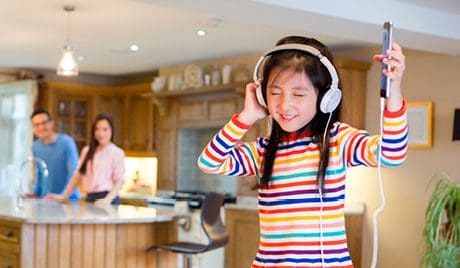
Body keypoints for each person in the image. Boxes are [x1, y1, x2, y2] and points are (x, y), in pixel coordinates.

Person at [197, 36, 408, 267]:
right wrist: (246, 116)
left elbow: (392, 153)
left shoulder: (337, 140)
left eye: (298, 94)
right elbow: (209, 162)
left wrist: (394, 89)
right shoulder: (263, 151)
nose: (285, 105)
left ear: (326, 97)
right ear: (262, 95)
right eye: (275, 93)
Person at [47, 113, 125, 205]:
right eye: (97, 129)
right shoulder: (87, 151)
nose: (101, 133)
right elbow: (77, 175)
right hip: (90, 198)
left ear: (111, 130)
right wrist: (64, 196)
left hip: (108, 200)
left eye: (105, 129)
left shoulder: (117, 152)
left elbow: (120, 180)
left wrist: (107, 200)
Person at [29, 108, 80, 200]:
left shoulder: (67, 143)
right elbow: (40, 173)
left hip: (68, 200)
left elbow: (74, 173)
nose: (41, 127)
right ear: (33, 127)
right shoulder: (35, 147)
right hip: (46, 199)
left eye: (44, 123)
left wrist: (64, 196)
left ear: (51, 123)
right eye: (36, 125)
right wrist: (35, 193)